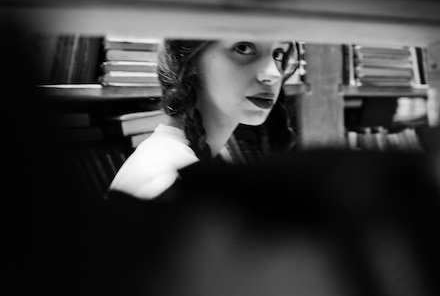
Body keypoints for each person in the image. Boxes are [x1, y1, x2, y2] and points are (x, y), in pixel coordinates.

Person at [108, 39, 301, 200]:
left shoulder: (192, 159)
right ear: (191, 62)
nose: (273, 74)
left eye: (278, 54)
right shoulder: (167, 177)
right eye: (243, 48)